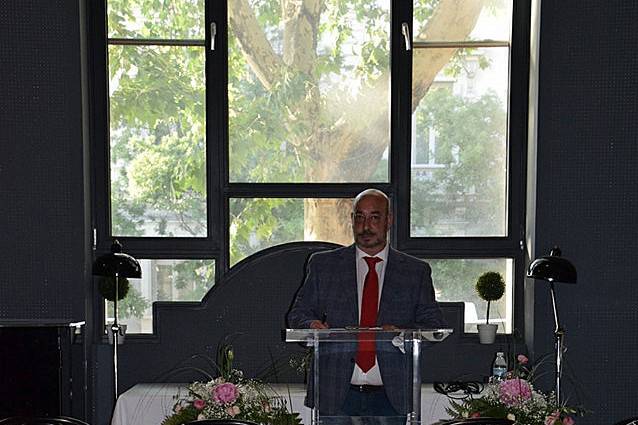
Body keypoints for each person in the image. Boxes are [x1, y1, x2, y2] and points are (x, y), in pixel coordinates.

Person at [287, 189, 445, 424]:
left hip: (391, 397)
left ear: (388, 221)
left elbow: (434, 325)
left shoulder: (415, 272)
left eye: (374, 217)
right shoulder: (324, 265)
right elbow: (297, 315)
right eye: (359, 217)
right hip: (336, 394)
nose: (366, 226)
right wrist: (312, 325)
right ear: (351, 220)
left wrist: (401, 335)